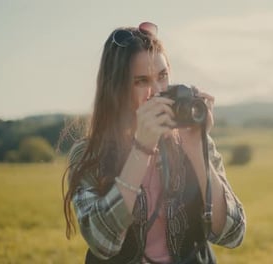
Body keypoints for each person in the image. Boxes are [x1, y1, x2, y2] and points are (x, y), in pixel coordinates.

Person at [61, 22, 246, 263]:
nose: (157, 91)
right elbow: (102, 242)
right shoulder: (89, 153)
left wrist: (196, 149)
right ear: (116, 90)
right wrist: (142, 149)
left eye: (162, 76)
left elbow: (233, 234)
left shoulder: (190, 141)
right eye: (141, 81)